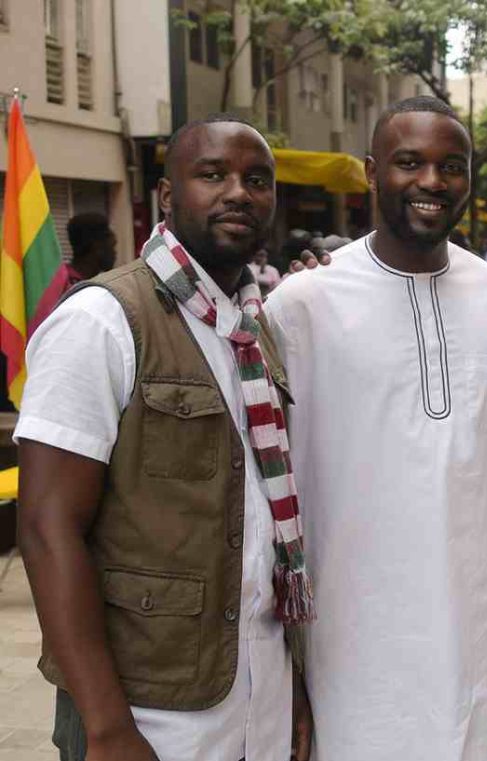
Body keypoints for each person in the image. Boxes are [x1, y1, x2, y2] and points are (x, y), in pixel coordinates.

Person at [15, 115, 313, 761]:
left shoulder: (255, 329)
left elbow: (264, 529)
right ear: (167, 196)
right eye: (213, 174)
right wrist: (106, 726)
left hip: (256, 700)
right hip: (149, 712)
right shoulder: (102, 319)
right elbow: (45, 527)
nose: (238, 191)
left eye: (256, 179)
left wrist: (288, 690)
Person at [263, 96, 487, 761]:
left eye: (452, 165)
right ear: (372, 172)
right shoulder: (301, 305)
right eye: (409, 162)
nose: (432, 181)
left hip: (476, 635)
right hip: (352, 642)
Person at [61, 213, 117, 290]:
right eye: (112, 247)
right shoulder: (65, 286)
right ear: (97, 246)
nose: (115, 254)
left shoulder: (99, 285)